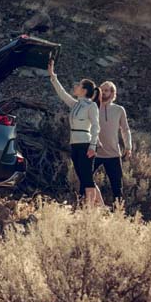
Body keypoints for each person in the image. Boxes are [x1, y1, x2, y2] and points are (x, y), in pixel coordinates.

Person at [47, 59, 103, 206]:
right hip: (75, 144)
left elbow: (96, 127)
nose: (75, 86)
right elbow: (62, 94)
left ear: (84, 90)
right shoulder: (76, 104)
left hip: (86, 144)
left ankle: (90, 209)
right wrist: (53, 76)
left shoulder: (91, 106)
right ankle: (100, 206)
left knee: (86, 177)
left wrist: (92, 146)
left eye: (78, 85)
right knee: (82, 176)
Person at [93, 81, 132, 205]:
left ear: (112, 93)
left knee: (117, 187)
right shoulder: (92, 107)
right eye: (102, 90)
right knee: (85, 180)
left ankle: (118, 214)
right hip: (94, 152)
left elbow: (125, 129)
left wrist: (128, 147)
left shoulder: (119, 110)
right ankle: (88, 209)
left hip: (113, 154)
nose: (104, 93)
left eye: (106, 90)